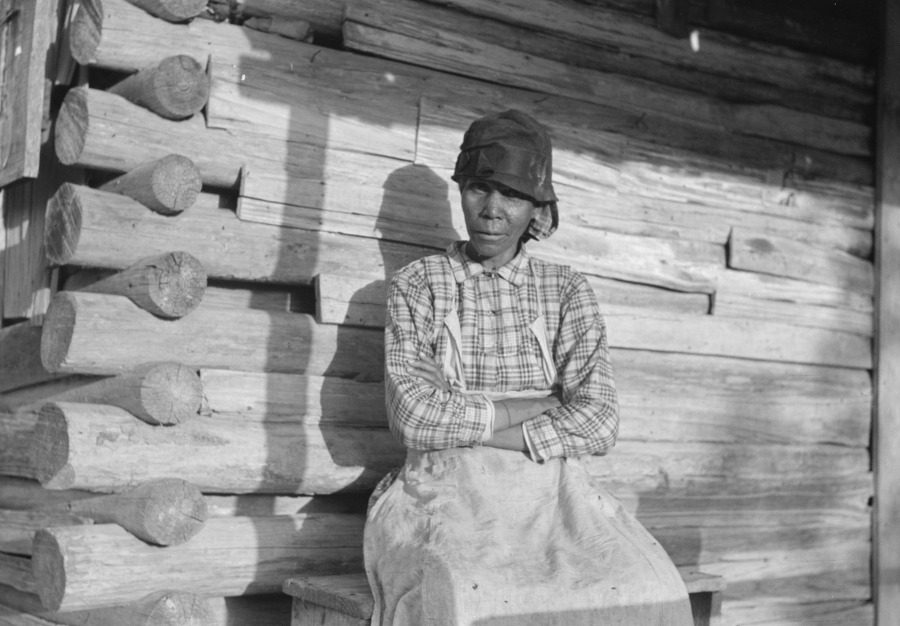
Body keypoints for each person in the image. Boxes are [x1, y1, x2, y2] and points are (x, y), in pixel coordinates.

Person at [364, 110, 693, 625]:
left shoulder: (565, 291)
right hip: (443, 496)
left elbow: (600, 422)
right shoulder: (418, 284)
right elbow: (412, 419)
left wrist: (459, 411)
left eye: (512, 195)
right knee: (466, 599)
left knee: (645, 591)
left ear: (537, 206)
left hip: (555, 500)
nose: (492, 210)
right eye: (478, 188)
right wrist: (542, 405)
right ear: (461, 191)